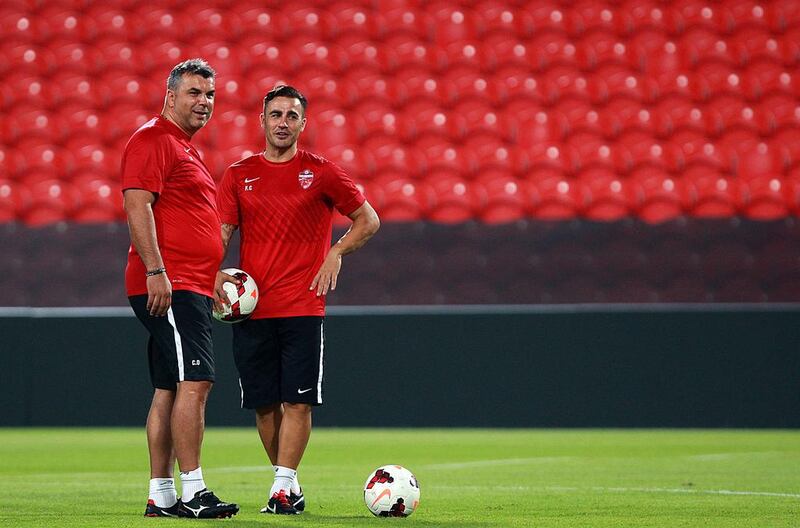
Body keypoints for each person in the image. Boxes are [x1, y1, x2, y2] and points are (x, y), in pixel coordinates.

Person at [215, 85, 380, 515]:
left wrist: (337, 251)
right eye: (276, 115)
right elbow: (221, 233)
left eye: (291, 116)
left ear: (303, 123)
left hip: (304, 305)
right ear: (262, 121)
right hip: (250, 309)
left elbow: (368, 219)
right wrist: (211, 274)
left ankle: (283, 486)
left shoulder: (323, 172)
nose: (283, 123)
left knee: (299, 401)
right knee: (264, 405)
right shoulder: (238, 174)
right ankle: (286, 482)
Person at [122, 58, 239, 519]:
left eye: (210, 94)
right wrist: (156, 271)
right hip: (170, 285)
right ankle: (194, 491)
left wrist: (210, 273)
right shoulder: (153, 139)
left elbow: (179, 222)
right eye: (194, 92)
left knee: (169, 388)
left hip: (186, 282)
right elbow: (138, 205)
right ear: (170, 96)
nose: (204, 102)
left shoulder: (180, 147)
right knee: (197, 380)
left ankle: (162, 494)